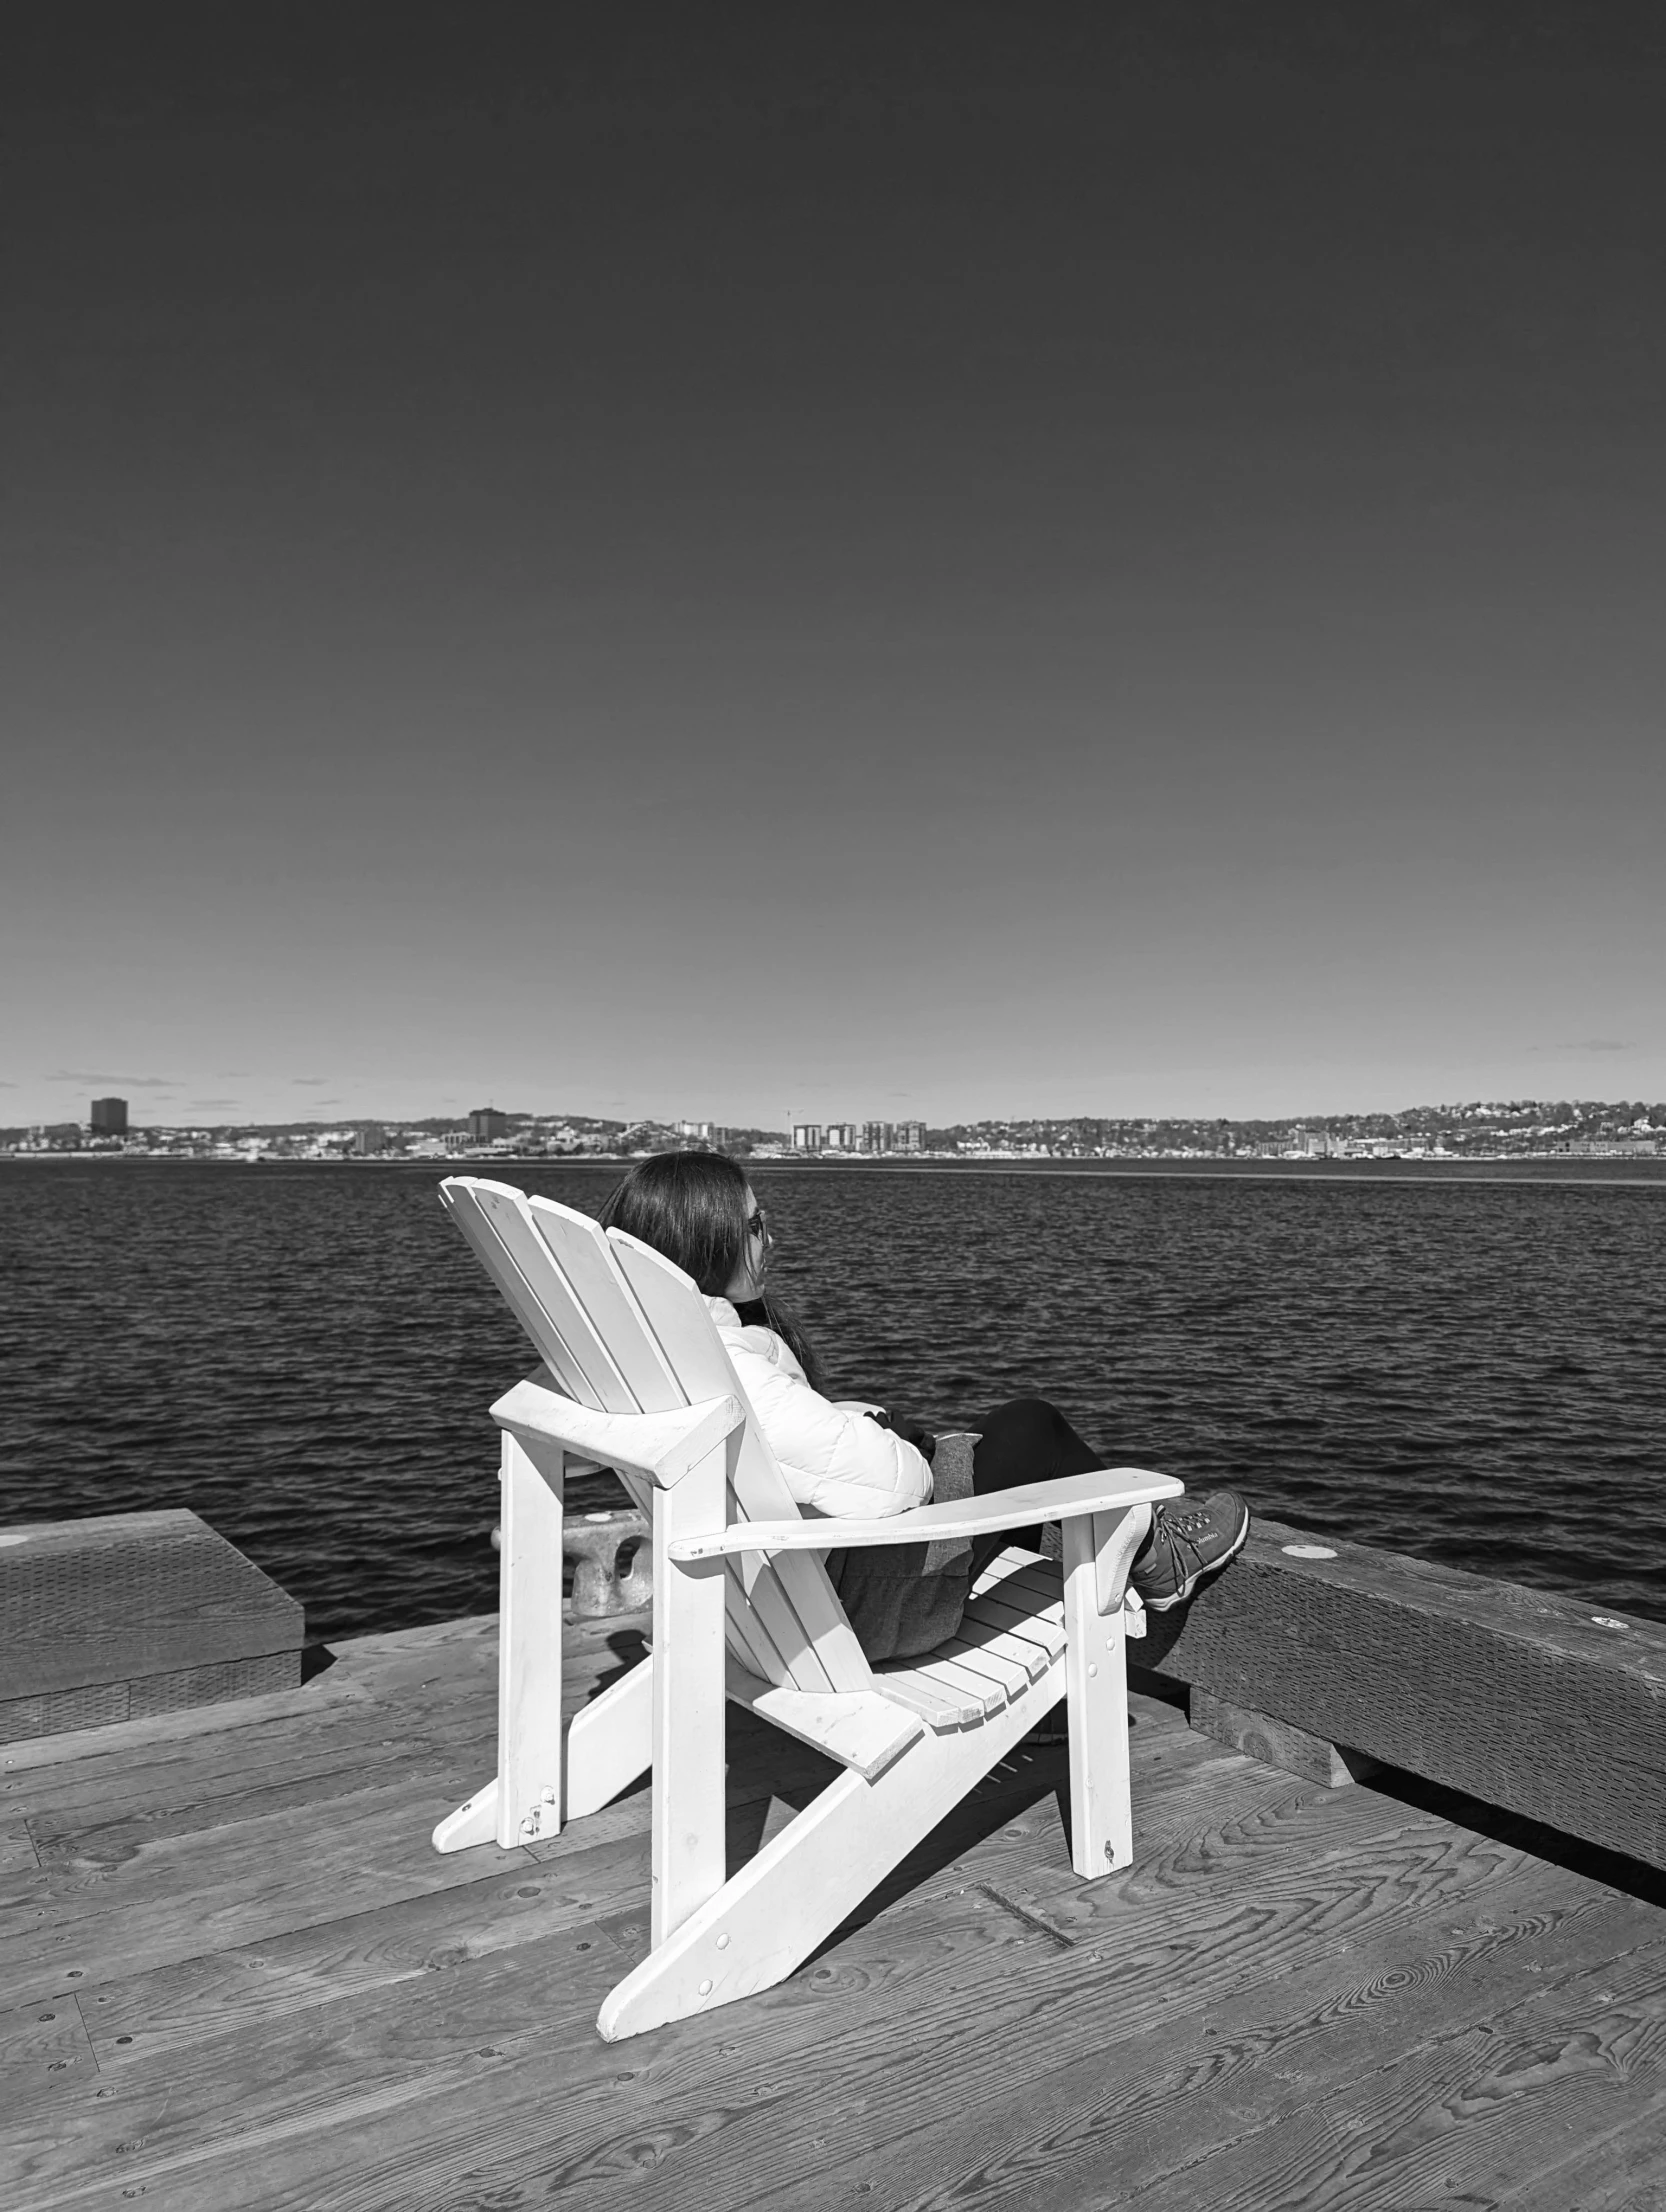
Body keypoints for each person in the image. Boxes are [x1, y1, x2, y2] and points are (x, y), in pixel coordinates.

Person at [597, 1150, 1250, 1660]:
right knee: (1026, 1429)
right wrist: (900, 1446)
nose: (771, 1239)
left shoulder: (651, 1357)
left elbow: (800, 1449)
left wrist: (858, 1424)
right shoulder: (735, 1372)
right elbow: (895, 1486)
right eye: (754, 1225)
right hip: (855, 1613)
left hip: (762, 1601)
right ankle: (1157, 1559)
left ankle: (1059, 1676)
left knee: (975, 1449)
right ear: (703, 1245)